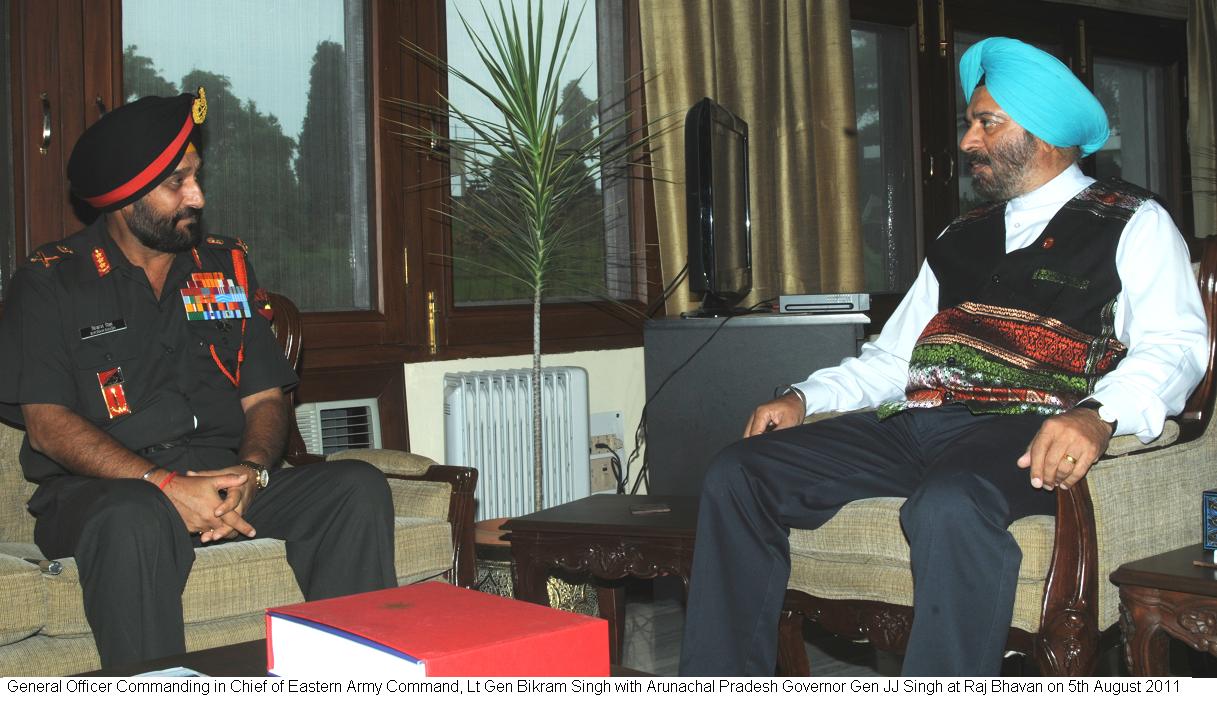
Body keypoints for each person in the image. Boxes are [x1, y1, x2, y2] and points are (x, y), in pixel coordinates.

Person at [678, 37, 1209, 676]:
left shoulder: (1131, 220)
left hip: (1024, 432)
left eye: (986, 123)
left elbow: (1177, 350)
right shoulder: (961, 236)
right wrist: (803, 397)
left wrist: (1098, 415)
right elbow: (894, 359)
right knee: (740, 471)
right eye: (970, 123)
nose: (967, 141)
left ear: (1042, 135)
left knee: (949, 502)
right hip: (914, 425)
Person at [0, 89, 398, 669]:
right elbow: (47, 426)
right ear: (123, 196)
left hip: (224, 475)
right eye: (177, 183)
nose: (198, 196)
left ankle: (358, 679)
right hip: (106, 492)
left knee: (354, 487)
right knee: (134, 516)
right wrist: (163, 484)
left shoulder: (223, 265)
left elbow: (264, 394)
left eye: (197, 177)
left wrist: (254, 472)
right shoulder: (51, 282)